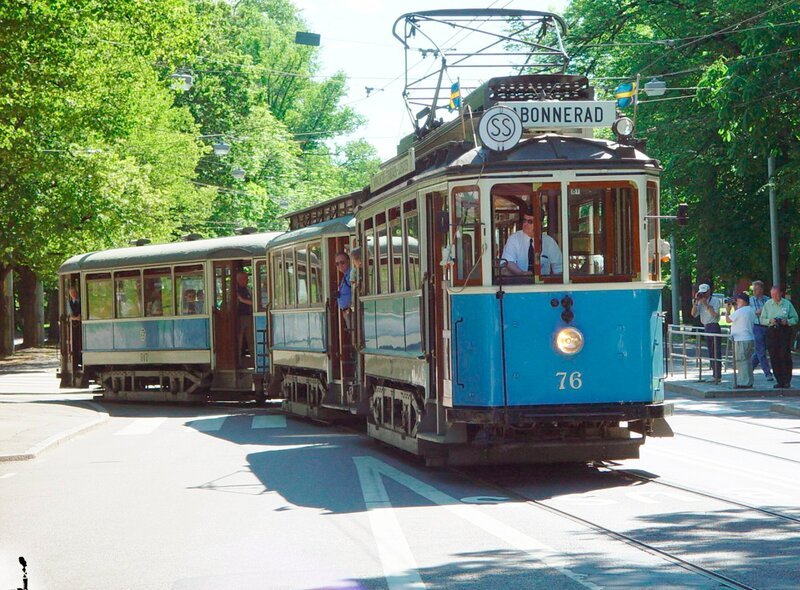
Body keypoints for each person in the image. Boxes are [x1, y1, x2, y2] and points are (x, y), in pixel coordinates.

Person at [501, 208, 562, 276]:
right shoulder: (514, 239)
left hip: (542, 284)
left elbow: (559, 268)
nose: (525, 224)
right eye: (524, 220)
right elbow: (508, 261)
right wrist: (522, 273)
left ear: (539, 224)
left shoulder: (549, 242)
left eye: (530, 222)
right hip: (519, 283)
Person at [760, 284, 798, 388]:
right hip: (772, 331)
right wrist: (770, 321)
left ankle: (786, 380)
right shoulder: (768, 304)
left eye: (776, 294)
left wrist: (787, 321)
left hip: (784, 331)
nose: (775, 296)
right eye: (772, 294)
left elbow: (795, 318)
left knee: (784, 355)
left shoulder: (787, 304)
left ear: (781, 293)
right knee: (774, 355)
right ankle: (779, 380)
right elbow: (762, 320)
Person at [691, 283, 723, 382]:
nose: (703, 295)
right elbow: (693, 314)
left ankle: (717, 375)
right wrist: (696, 302)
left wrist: (706, 305)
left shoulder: (715, 300)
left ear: (709, 291)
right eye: (701, 293)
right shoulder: (699, 301)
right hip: (706, 327)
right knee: (710, 352)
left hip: (713, 326)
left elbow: (715, 315)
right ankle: (714, 374)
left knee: (716, 352)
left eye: (705, 293)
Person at [725, 293, 755, 388]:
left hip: (740, 339)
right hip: (749, 338)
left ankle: (743, 382)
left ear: (743, 301)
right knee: (747, 361)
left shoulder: (741, 311)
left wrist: (727, 311)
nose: (736, 302)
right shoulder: (750, 310)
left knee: (741, 361)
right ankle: (749, 381)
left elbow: (728, 320)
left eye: (737, 300)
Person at [749, 280, 773, 381]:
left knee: (759, 351)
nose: (755, 291)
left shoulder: (768, 300)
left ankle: (748, 369)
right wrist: (756, 312)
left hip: (767, 327)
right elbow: (748, 312)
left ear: (762, 289)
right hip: (757, 327)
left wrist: (763, 311)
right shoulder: (750, 301)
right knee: (761, 351)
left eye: (757, 289)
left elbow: (771, 312)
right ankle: (768, 373)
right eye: (754, 289)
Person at [236, 272, 253, 359]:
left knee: (251, 338)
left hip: (249, 316)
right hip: (239, 318)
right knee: (239, 339)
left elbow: (254, 303)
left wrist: (242, 300)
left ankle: (254, 359)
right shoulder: (234, 290)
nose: (247, 280)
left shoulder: (248, 289)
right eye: (246, 278)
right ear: (240, 279)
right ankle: (238, 359)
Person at [335, 252, 352, 329]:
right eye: (337, 264)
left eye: (342, 262)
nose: (340, 265)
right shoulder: (345, 276)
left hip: (351, 311)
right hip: (347, 312)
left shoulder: (350, 275)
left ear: (348, 261)